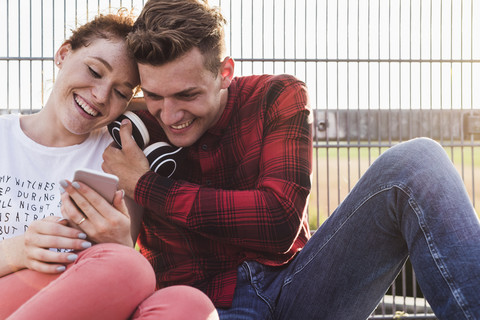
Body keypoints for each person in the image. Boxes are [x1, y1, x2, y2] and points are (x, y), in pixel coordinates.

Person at [75, 0, 479, 319]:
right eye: (156, 96)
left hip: (298, 287)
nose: (170, 114)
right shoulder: (131, 126)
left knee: (418, 160)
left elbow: (278, 222)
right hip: (201, 305)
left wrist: (149, 185)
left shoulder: (277, 97)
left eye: (187, 95)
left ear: (226, 72)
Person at [0, 10, 218, 320]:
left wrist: (120, 244)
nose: (101, 96)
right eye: (94, 71)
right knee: (129, 268)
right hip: (14, 290)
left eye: (120, 92)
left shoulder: (120, 158)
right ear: (63, 54)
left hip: (89, 305)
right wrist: (18, 251)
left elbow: (119, 278)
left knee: (189, 304)